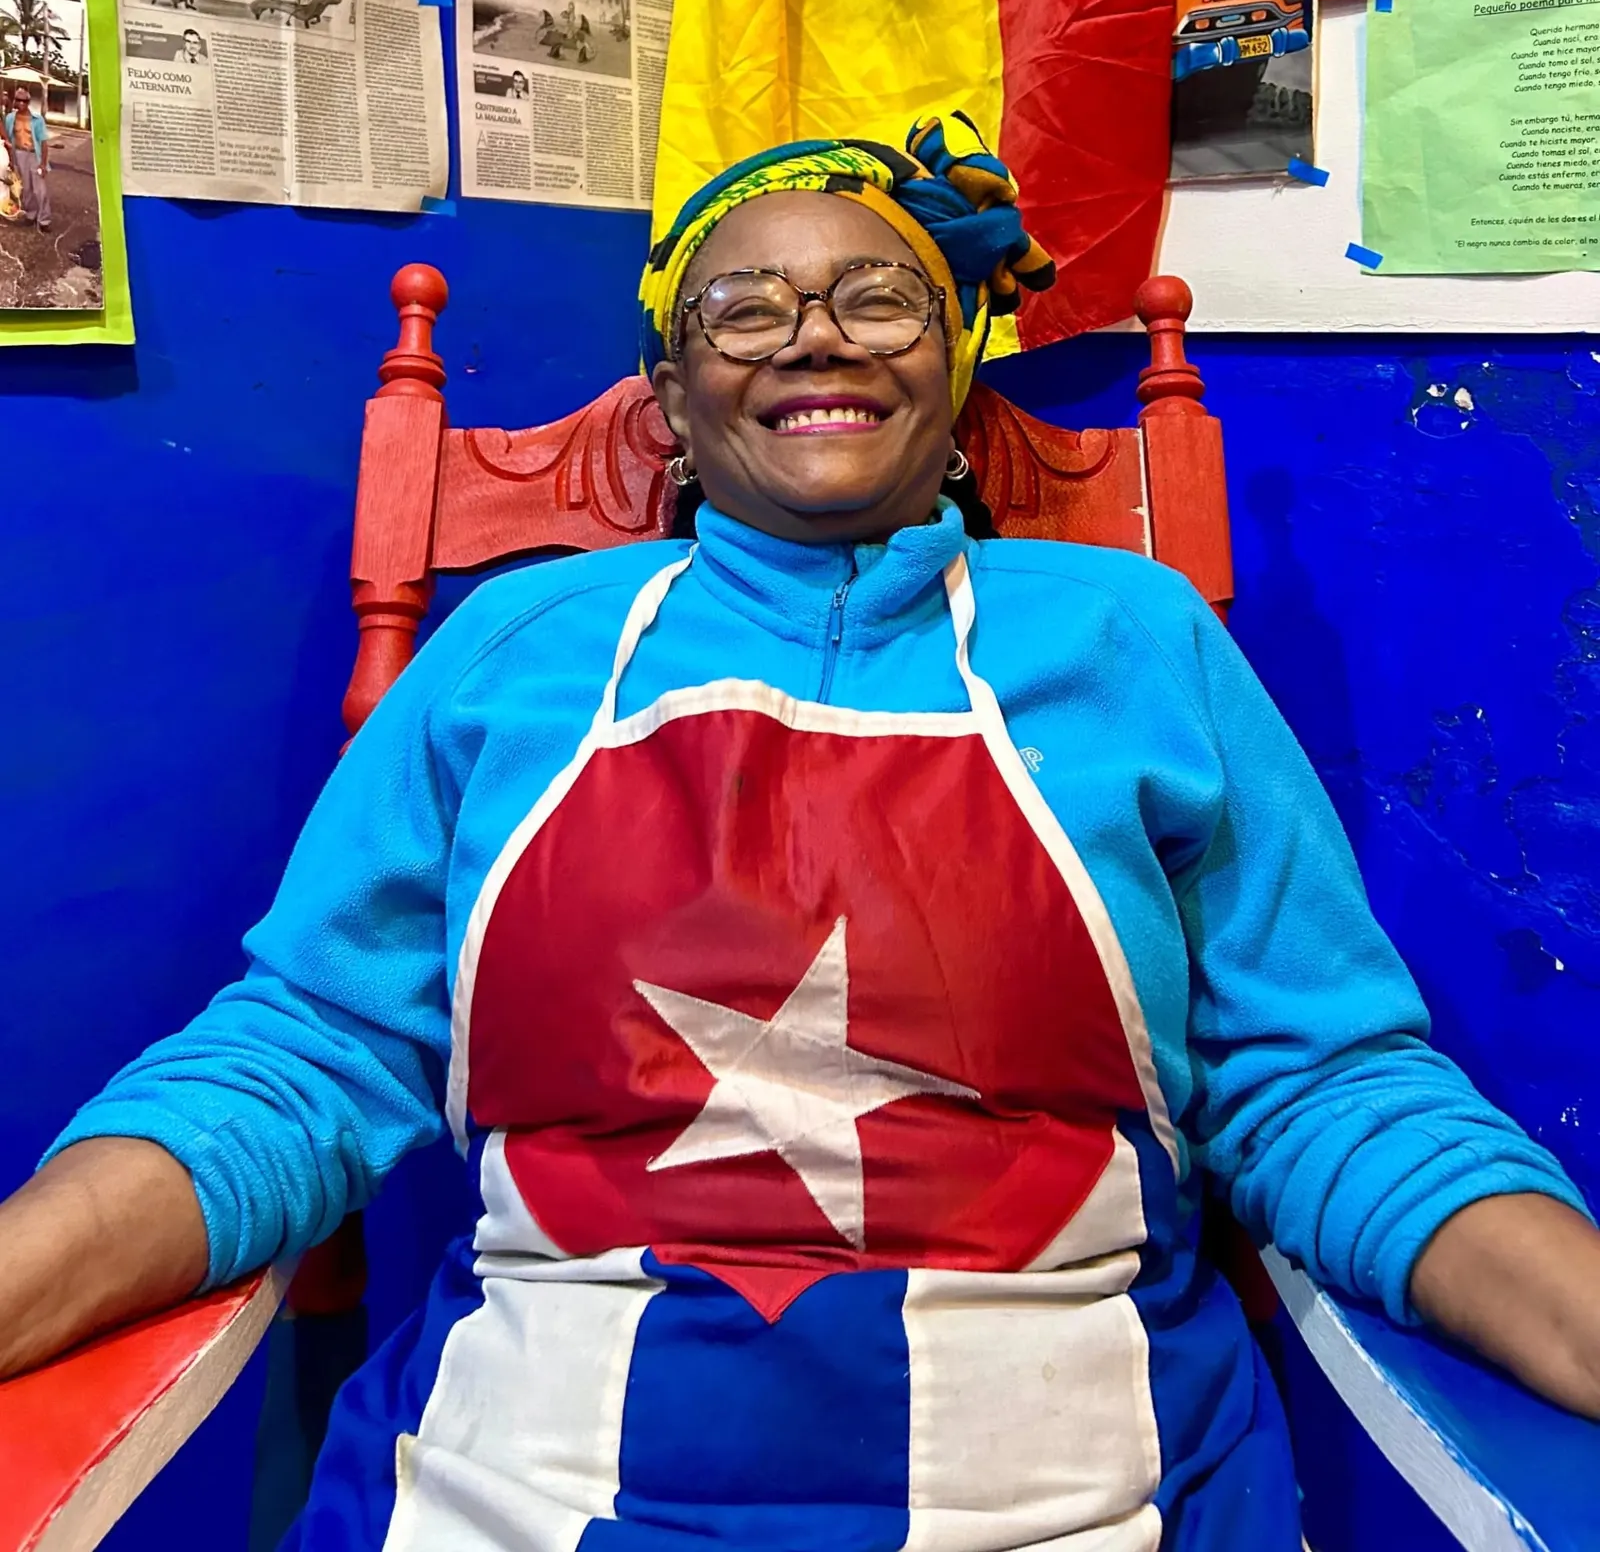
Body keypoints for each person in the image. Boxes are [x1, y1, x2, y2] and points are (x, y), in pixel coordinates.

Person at [3, 110, 1599, 1551]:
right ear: (672, 394)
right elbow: (306, 1054)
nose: (814, 337)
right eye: (745, 309)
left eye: (878, 297)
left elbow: (1322, 1083)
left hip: (1083, 1488)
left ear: (955, 364)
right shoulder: (516, 649)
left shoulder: (1136, 639)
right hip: (517, 1484)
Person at [5, 87, 49, 232]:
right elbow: (8, 139)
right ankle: (31, 215)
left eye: (24, 100)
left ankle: (44, 220)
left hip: (34, 155)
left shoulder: (37, 120)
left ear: (28, 102)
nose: (21, 103)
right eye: (18, 100)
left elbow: (43, 142)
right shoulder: (10, 118)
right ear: (14, 101)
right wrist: (10, 160)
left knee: (40, 190)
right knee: (26, 189)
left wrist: (43, 164)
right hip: (19, 155)